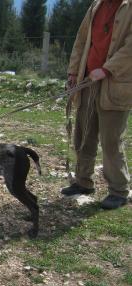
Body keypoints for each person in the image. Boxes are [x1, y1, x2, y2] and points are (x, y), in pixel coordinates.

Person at [62, 0, 131, 209]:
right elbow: (81, 40)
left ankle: (119, 190)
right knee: (83, 133)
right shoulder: (96, 6)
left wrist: (108, 68)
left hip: (115, 82)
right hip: (87, 80)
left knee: (111, 139)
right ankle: (83, 181)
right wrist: (74, 71)